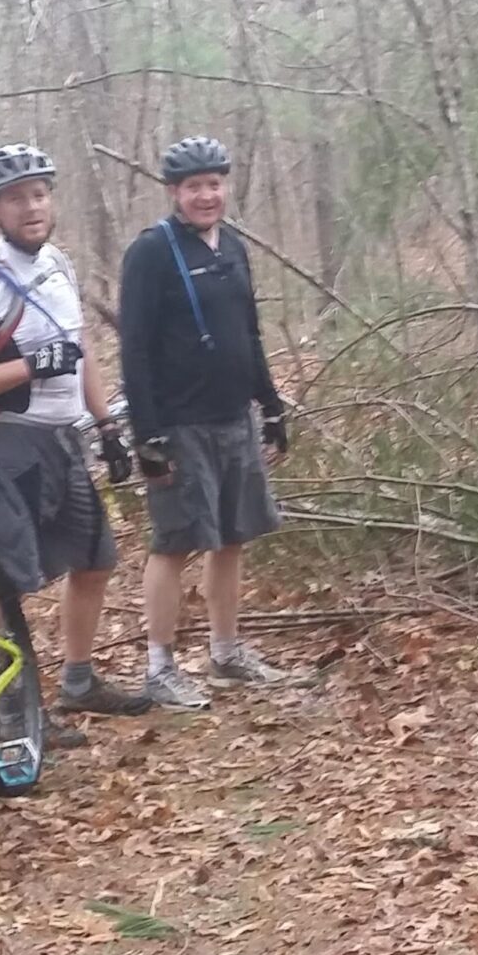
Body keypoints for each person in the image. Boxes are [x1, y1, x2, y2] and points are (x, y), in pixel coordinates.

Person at [0, 144, 152, 725]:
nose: (31, 207)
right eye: (16, 199)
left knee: (95, 559)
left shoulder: (59, 265)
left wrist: (105, 425)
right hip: (1, 442)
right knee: (4, 577)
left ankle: (77, 681)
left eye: (39, 194)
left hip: (61, 437)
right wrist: (28, 367)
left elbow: (79, 354)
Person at [116, 135, 295, 708]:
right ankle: (159, 666)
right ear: (174, 192)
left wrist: (271, 408)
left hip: (232, 416)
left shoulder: (233, 247)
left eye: (214, 184)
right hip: (179, 422)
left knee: (234, 537)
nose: (206, 195)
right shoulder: (151, 252)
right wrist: (148, 436)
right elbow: (135, 349)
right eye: (194, 186)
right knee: (174, 543)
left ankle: (226, 651)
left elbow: (249, 334)